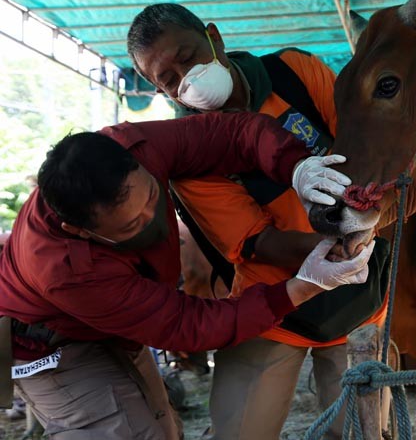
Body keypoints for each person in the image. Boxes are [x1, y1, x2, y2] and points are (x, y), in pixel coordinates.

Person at [0, 111, 374, 440]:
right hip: (50, 345)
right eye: (131, 225)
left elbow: (232, 133)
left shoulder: (133, 146)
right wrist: (303, 287)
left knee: (164, 428)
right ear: (80, 230)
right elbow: (186, 325)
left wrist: (298, 167)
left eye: (152, 196)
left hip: (119, 327)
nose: (152, 219)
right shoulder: (66, 269)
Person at [127, 4, 388, 439]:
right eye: (169, 79)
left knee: (362, 429)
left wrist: (362, 240)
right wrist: (337, 251)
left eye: (188, 57)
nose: (187, 79)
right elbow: (257, 242)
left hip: (362, 292)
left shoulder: (294, 71)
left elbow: (362, 145)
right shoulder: (187, 160)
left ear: (214, 38)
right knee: (241, 431)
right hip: (272, 308)